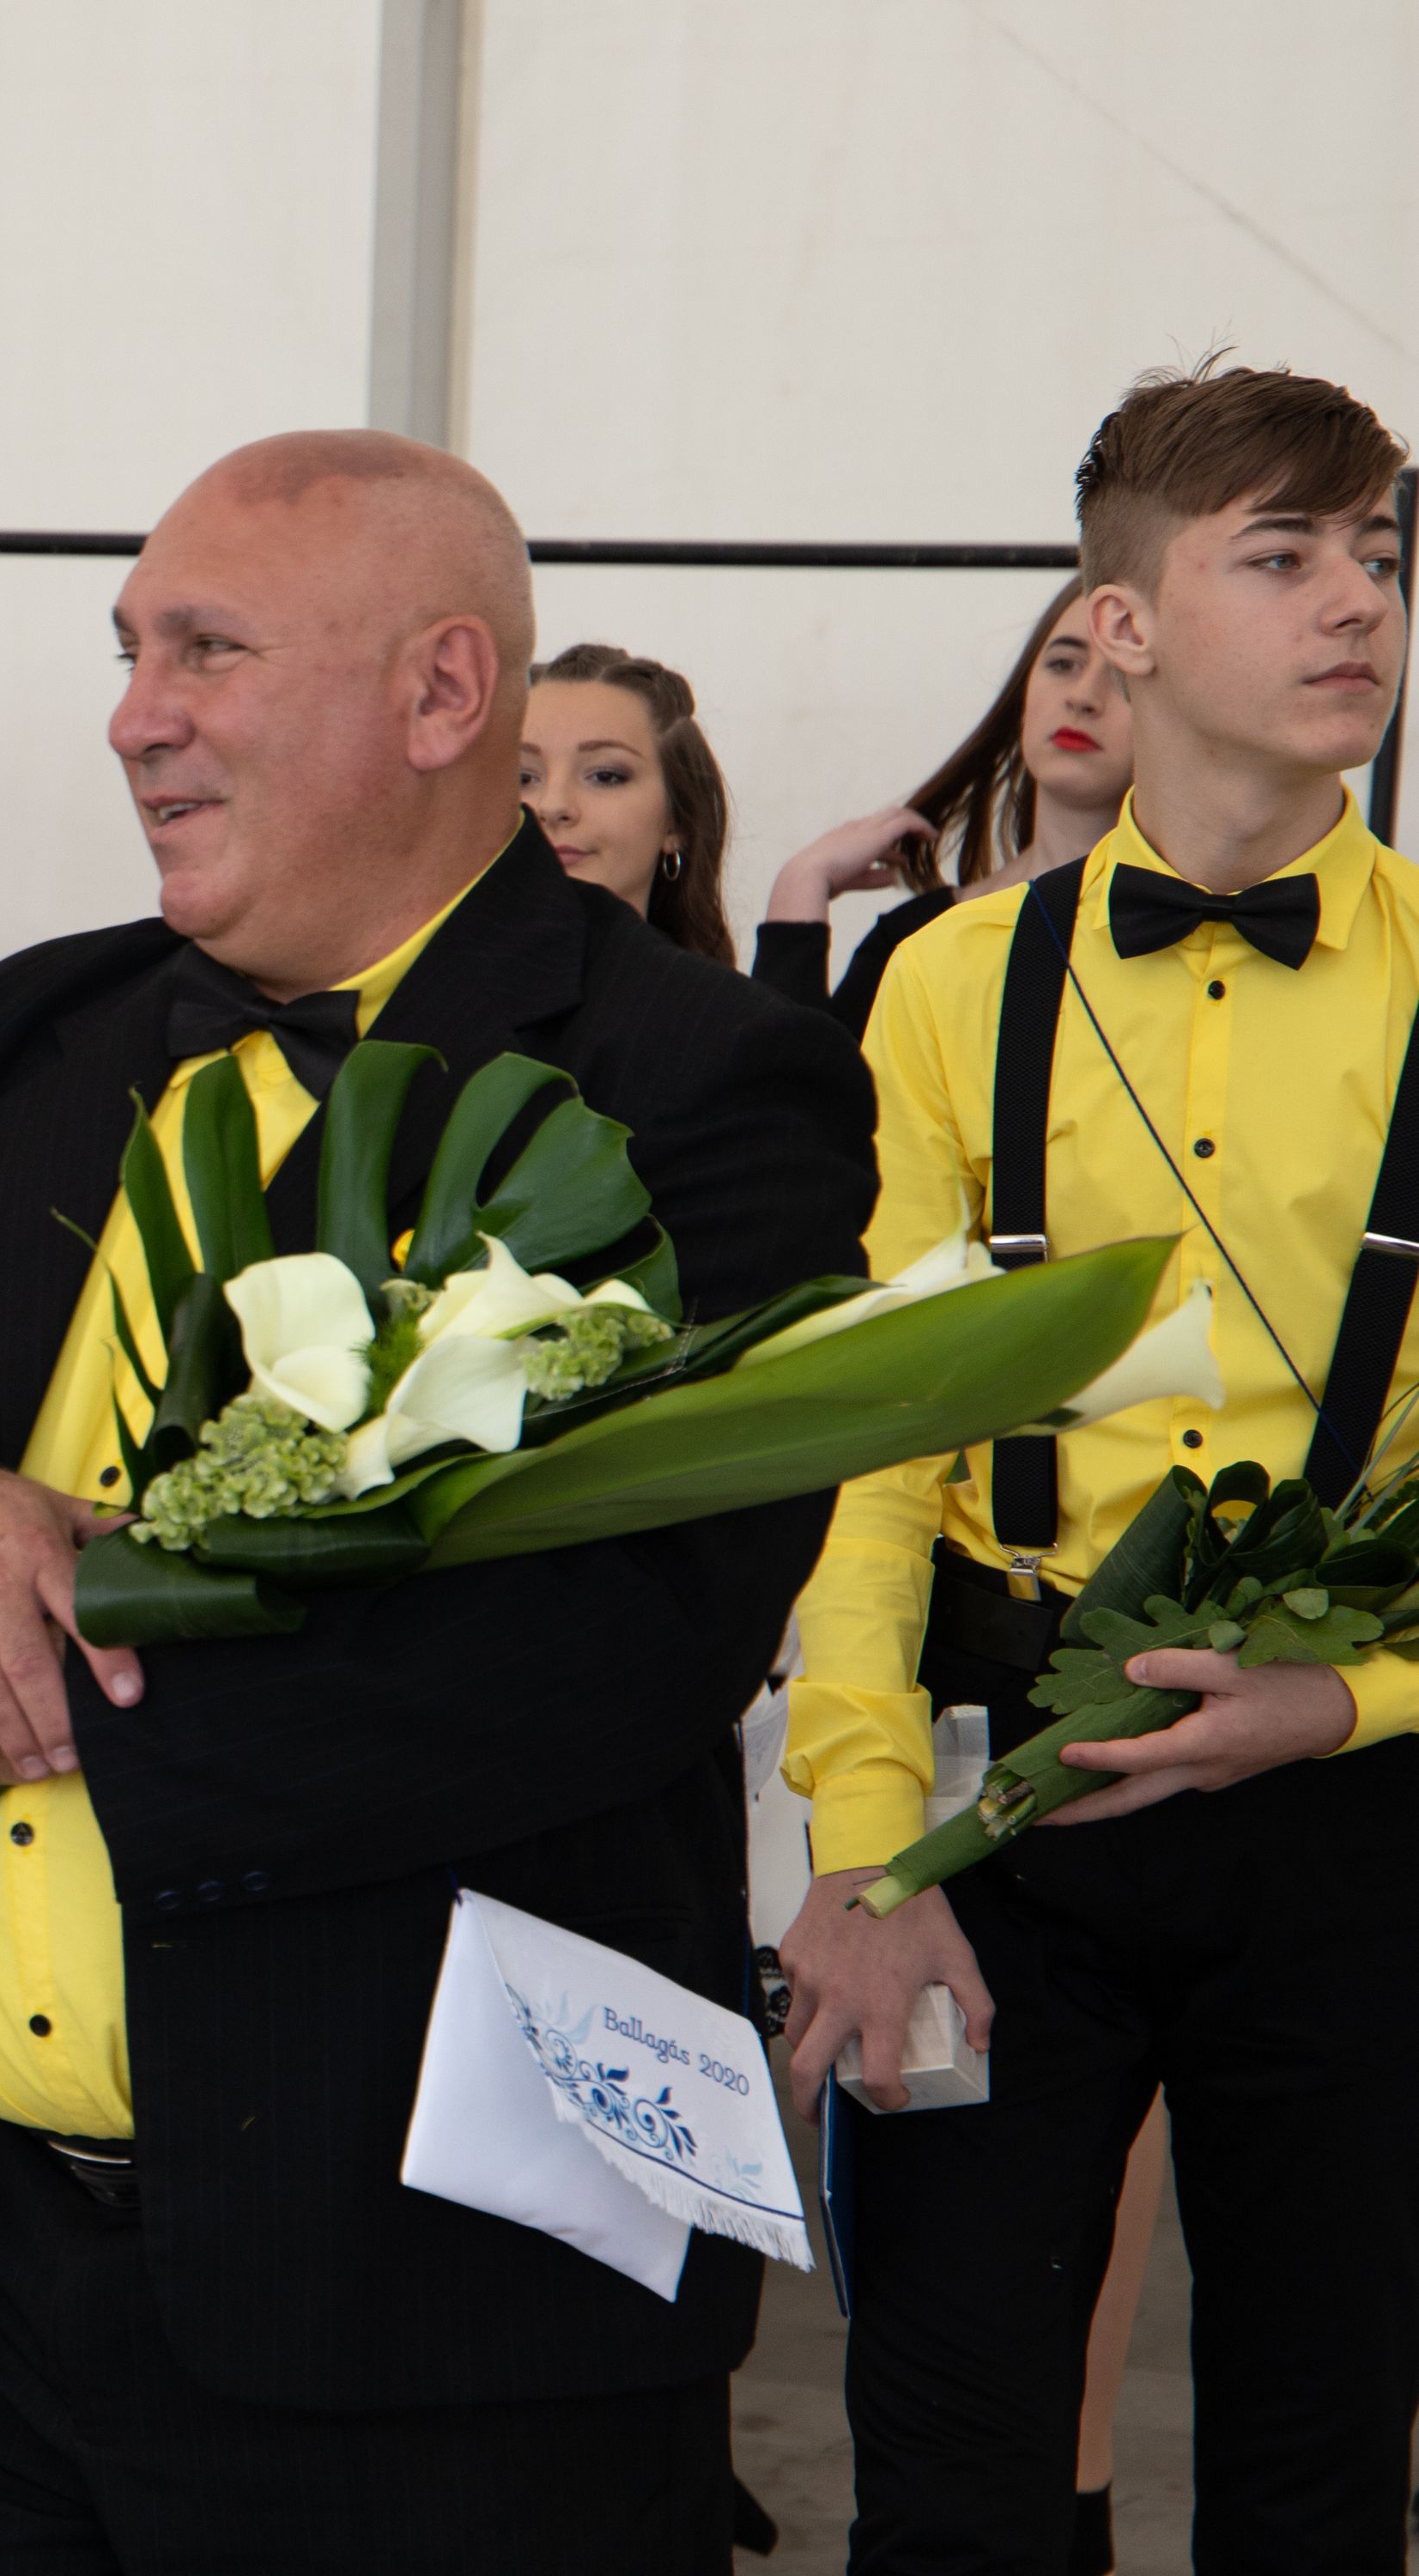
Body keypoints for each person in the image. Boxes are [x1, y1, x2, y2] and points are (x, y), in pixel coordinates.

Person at [0, 431, 876, 2570]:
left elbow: (621, 1631)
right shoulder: (20, 1032)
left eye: (205, 651)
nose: (135, 716)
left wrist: (54, 1694)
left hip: (412, 2309)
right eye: (128, 652)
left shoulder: (690, 1080)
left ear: (438, 691)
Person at [777, 361, 1417, 2571]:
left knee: (1321, 2468)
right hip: (1003, 1793)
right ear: (1120, 622)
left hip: (1353, 1812)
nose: (1357, 601)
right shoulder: (948, 982)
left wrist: (1347, 1699)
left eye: (1377, 556)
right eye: (1283, 555)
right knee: (947, 2473)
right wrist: (870, 1844)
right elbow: (870, 1441)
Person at [751, 574, 1137, 1035]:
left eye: (1125, 676)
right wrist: (801, 884)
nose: (1083, 696)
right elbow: (787, 1082)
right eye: (1063, 663)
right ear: (1024, 692)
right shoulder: (916, 938)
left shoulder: (1196, 923)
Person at [518, 640, 736, 962]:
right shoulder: (440, 986)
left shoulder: (719, 997)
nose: (552, 806)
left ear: (677, 822)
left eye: (605, 776)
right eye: (523, 779)